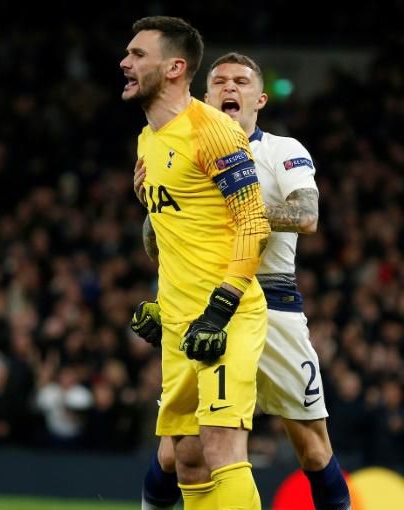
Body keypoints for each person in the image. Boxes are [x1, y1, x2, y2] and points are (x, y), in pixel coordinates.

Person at [132, 53, 352, 510]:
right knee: (176, 452)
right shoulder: (185, 148)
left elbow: (307, 216)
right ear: (206, 96)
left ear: (260, 98)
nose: (230, 87)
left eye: (241, 81)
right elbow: (158, 245)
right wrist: (152, 204)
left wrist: (231, 207)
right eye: (220, 81)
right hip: (205, 300)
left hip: (272, 303)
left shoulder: (283, 150)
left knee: (312, 449)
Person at [120, 18, 271, 510]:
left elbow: (254, 225)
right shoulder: (148, 141)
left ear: (175, 68)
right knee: (184, 457)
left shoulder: (215, 132)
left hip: (226, 317)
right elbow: (179, 234)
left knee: (221, 446)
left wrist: (221, 308)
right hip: (181, 325)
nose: (125, 63)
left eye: (139, 55)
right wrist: (165, 308)